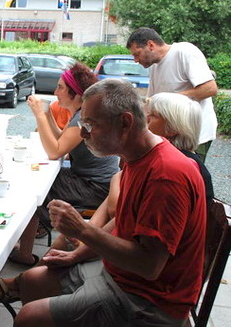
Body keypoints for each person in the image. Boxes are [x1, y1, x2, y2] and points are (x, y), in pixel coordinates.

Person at [0, 79, 207, 327]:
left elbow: (149, 266)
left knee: (30, 319)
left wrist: (82, 231)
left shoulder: (166, 175)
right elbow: (123, 221)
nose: (83, 133)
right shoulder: (136, 156)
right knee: (34, 280)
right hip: (120, 276)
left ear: (125, 122)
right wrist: (77, 254)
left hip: (151, 302)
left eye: (90, 125)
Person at [44, 91, 214, 254]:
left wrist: (86, 233)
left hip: (159, 263)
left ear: (172, 128)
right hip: (130, 242)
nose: (144, 120)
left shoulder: (172, 168)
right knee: (64, 242)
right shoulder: (150, 157)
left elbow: (117, 210)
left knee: (63, 244)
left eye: (152, 115)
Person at [9, 63, 119, 266]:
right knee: (37, 185)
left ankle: (24, 252)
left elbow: (55, 151)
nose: (55, 92)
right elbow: (63, 141)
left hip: (94, 186)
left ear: (75, 93)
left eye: (60, 87)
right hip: (93, 180)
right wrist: (49, 116)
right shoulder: (81, 114)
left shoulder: (83, 118)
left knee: (34, 191)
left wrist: (40, 116)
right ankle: (31, 237)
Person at [126, 27, 218, 161]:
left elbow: (210, 88)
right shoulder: (154, 67)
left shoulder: (185, 52)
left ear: (151, 45)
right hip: (170, 135)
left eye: (137, 54)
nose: (135, 60)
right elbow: (151, 101)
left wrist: (169, 101)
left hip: (193, 134)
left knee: (190, 175)